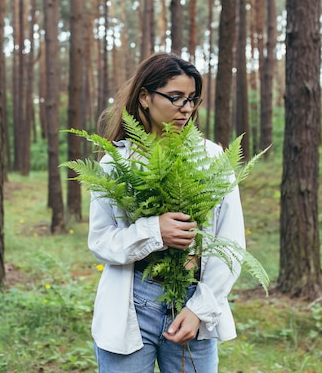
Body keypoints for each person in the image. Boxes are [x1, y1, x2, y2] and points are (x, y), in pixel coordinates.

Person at [88, 52, 246, 373]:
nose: (186, 108)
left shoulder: (212, 157)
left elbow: (230, 243)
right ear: (144, 97)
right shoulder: (117, 163)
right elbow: (101, 242)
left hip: (192, 296)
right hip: (132, 301)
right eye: (175, 98)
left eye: (192, 99)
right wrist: (154, 231)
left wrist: (201, 308)